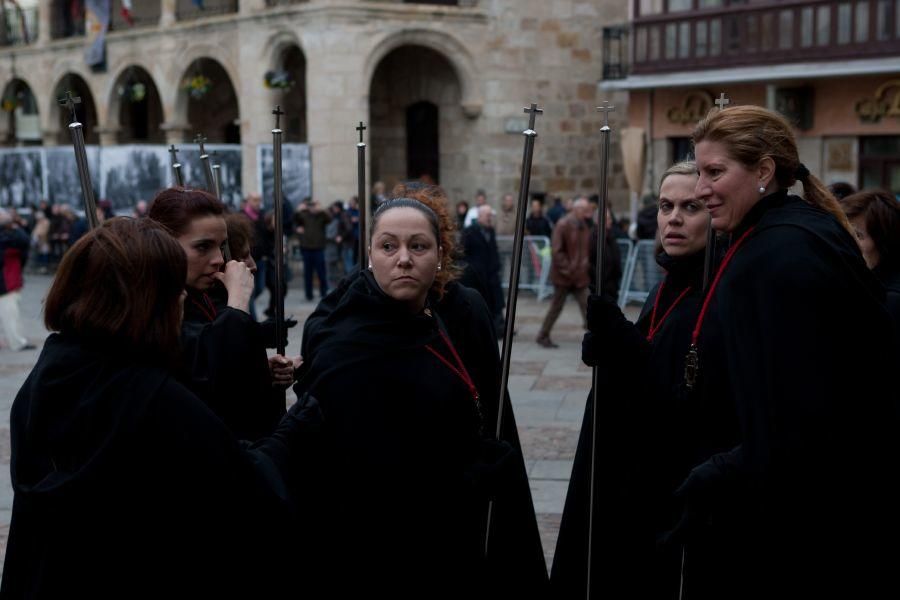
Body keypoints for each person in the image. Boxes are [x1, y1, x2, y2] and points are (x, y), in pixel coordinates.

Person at [0, 217, 321, 597]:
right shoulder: (149, 395)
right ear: (144, 298)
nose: (182, 297)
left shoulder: (54, 368)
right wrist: (299, 425)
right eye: (172, 289)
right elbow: (244, 483)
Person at [671, 105, 899, 598]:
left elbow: (808, 410)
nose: (701, 188)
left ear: (764, 171)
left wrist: (724, 470)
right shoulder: (778, 234)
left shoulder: (780, 253)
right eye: (700, 172)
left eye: (715, 172)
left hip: (787, 523)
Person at [295, 194, 547, 599]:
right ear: (371, 254)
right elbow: (361, 471)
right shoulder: (345, 346)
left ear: (440, 255)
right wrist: (465, 476)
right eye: (389, 246)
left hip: (447, 546)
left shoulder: (433, 319)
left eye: (418, 246)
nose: (404, 259)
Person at [552, 161, 715, 599]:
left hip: (670, 491)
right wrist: (611, 347)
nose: (674, 218)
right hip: (633, 482)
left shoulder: (715, 290)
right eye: (666, 206)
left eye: (691, 206)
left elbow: (684, 394)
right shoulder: (668, 285)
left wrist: (625, 346)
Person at [148, 188, 294, 441]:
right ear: (164, 244)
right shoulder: (151, 306)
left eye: (222, 247)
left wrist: (260, 373)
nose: (218, 259)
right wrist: (237, 302)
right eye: (203, 247)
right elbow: (201, 373)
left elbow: (228, 384)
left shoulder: (199, 292)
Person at [839, 189, 900, 336]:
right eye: (844, 232)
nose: (846, 242)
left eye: (858, 235)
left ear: (884, 242)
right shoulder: (860, 283)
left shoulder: (891, 301)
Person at [535, 197, 593, 348]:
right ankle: (543, 335)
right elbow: (557, 251)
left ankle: (594, 334)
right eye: (584, 210)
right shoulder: (563, 224)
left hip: (579, 276)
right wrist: (570, 269)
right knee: (556, 306)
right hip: (564, 276)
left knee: (587, 305)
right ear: (576, 209)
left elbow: (584, 250)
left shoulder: (583, 225)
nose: (587, 213)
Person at [461, 204, 506, 334]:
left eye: (490, 216)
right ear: (480, 216)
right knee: (482, 301)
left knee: (497, 300)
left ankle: (499, 326)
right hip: (478, 275)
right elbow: (463, 252)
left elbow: (493, 249)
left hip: (491, 273)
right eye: (487, 216)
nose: (489, 218)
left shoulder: (490, 231)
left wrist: (496, 265)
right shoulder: (469, 231)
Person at [0, 209, 34, 351]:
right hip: (6, 279)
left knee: (9, 310)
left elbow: (24, 241)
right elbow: (24, 241)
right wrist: (14, 225)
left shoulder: (9, 235)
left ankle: (16, 341)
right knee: (10, 312)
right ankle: (17, 342)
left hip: (8, 277)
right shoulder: (8, 236)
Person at [293, 197, 331, 301]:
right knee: (308, 273)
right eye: (311, 205)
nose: (312, 207)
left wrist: (322, 209)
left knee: (321, 272)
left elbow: (329, 219)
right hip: (306, 248)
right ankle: (308, 294)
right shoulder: (304, 215)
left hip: (319, 248)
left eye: (314, 205)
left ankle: (323, 292)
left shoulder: (321, 216)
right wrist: (298, 209)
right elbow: (294, 220)